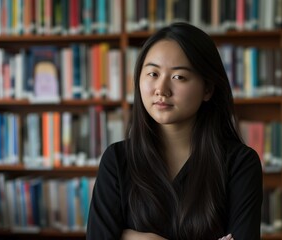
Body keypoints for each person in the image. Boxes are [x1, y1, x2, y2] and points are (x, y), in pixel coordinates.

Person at [86, 22, 262, 240]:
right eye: (152, 74)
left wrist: (136, 237)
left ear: (207, 88)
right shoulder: (117, 160)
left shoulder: (240, 164)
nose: (161, 89)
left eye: (179, 77)